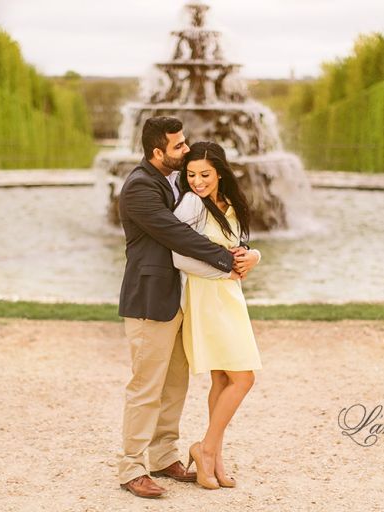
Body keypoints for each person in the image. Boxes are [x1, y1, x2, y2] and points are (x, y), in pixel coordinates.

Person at [117, 117, 254, 499]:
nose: (185, 149)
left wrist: (248, 253)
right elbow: (176, 235)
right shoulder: (140, 187)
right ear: (157, 152)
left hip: (179, 300)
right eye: (178, 146)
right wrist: (228, 260)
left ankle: (163, 456)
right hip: (150, 299)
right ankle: (132, 465)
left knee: (175, 385)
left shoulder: (173, 182)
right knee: (146, 387)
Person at [171, 141, 262, 490]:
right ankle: (205, 449)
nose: (197, 181)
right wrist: (225, 272)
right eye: (191, 174)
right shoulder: (192, 203)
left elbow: (241, 249)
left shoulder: (231, 203)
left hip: (229, 297)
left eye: (205, 174)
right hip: (207, 297)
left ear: (220, 172)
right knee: (244, 378)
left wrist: (255, 257)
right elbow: (179, 256)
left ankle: (215, 458)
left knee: (224, 380)